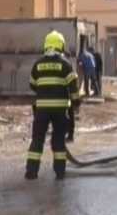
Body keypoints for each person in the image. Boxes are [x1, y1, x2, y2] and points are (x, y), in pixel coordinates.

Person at [26, 30, 81, 181]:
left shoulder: (38, 64)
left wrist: (44, 91)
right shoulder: (65, 64)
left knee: (37, 139)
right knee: (58, 140)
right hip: (60, 109)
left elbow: (32, 84)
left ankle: (31, 172)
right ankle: (60, 172)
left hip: (42, 109)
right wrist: (76, 103)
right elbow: (73, 87)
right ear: (61, 45)